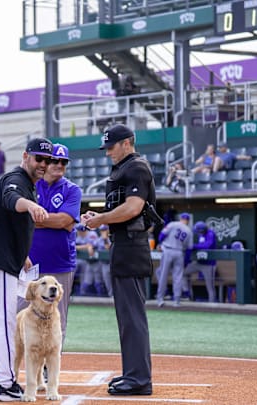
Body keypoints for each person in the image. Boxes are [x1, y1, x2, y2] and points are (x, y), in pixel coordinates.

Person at [0, 137, 51, 401]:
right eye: (39, 158)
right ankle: (6, 384)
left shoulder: (28, 183)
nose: (43, 164)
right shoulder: (16, 179)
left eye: (46, 160)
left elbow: (9, 224)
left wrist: (22, 254)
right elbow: (11, 199)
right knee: (3, 323)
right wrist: (32, 205)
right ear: (26, 156)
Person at [81, 124, 155, 396]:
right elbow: (121, 208)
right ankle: (133, 373)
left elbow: (133, 208)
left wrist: (100, 220)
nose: (108, 152)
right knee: (126, 317)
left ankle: (139, 379)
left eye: (111, 146)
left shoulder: (136, 167)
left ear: (127, 143)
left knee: (132, 317)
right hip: (123, 244)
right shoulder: (124, 168)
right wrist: (98, 217)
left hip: (132, 246)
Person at [23, 143, 81, 343]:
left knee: (57, 320)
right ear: (45, 162)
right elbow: (20, 219)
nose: (59, 165)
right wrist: (54, 221)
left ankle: (49, 371)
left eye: (64, 162)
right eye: (55, 160)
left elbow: (65, 221)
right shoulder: (29, 185)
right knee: (18, 315)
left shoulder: (72, 190)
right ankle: (9, 369)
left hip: (60, 263)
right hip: (29, 262)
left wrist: (34, 219)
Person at [155, 212, 193, 307]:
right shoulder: (189, 230)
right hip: (179, 253)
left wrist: (160, 244)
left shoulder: (173, 224)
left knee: (163, 275)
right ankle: (176, 301)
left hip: (168, 250)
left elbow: (161, 236)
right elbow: (189, 249)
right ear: (187, 220)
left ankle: (160, 299)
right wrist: (186, 261)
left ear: (180, 218)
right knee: (178, 277)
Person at [183, 221, 217, 303]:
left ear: (202, 230)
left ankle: (212, 305)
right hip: (199, 262)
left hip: (209, 264)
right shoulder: (201, 235)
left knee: (210, 286)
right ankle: (188, 295)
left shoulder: (210, 234)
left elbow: (207, 245)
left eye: (198, 231)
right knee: (182, 272)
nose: (198, 233)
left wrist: (194, 246)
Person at [74, 224, 98, 296]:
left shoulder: (92, 234)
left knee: (85, 276)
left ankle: (82, 292)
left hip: (91, 261)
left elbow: (91, 245)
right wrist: (84, 247)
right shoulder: (76, 236)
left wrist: (77, 247)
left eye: (83, 230)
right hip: (78, 260)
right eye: (80, 230)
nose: (81, 232)